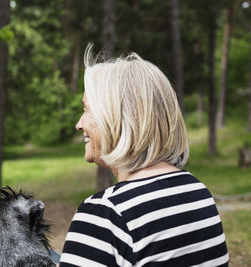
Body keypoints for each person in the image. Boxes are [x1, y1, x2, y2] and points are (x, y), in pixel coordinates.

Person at [59, 46, 229, 267]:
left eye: (87, 109)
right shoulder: (197, 192)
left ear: (117, 117)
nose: (79, 124)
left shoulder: (106, 213)